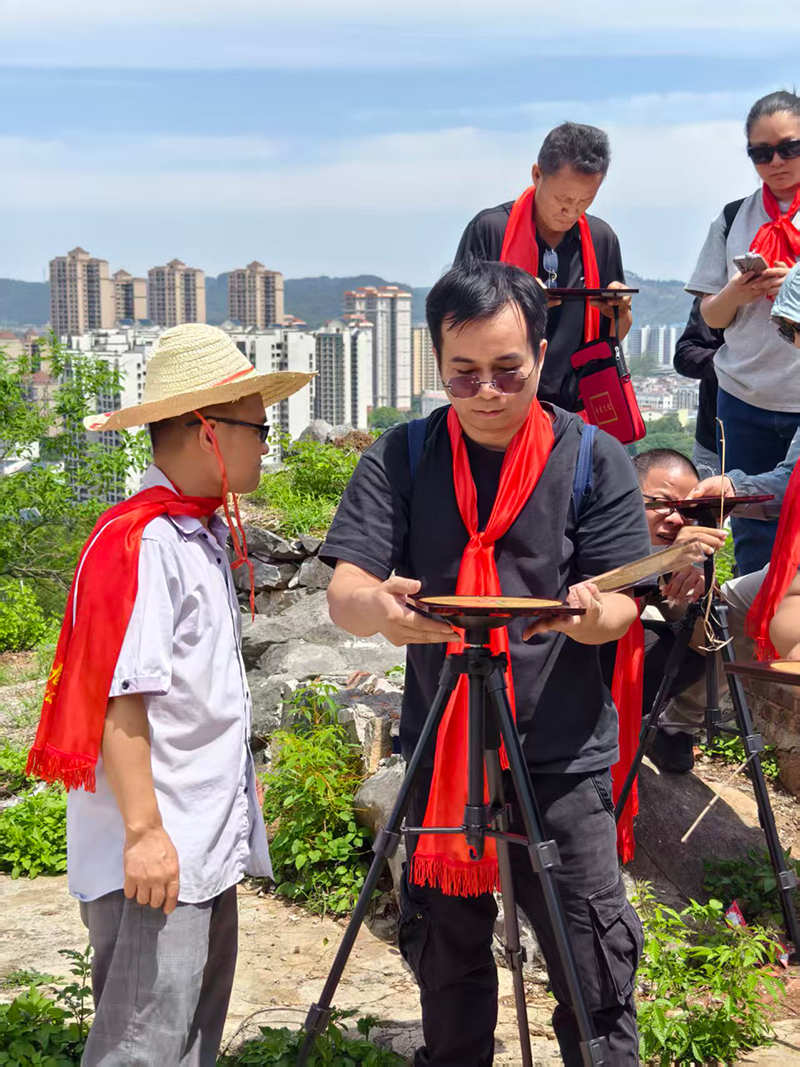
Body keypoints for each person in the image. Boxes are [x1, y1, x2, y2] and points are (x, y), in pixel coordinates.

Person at [320, 259, 650, 1066]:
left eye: (509, 370)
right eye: (463, 375)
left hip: (561, 755)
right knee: (447, 962)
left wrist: (588, 615)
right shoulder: (404, 456)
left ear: (541, 351)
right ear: (437, 364)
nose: (489, 392)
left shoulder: (590, 458)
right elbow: (348, 588)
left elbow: (622, 604)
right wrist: (383, 612)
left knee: (591, 967)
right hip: (443, 753)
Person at [26, 324, 312, 1066]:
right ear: (204, 429)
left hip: (198, 843)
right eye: (258, 426)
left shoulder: (191, 532)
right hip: (162, 850)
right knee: (142, 1045)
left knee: (186, 1040)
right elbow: (122, 701)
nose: (267, 443)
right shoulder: (147, 544)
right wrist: (146, 834)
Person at [686, 89, 800, 575]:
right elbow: (710, 317)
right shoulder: (735, 216)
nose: (776, 162)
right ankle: (757, 646)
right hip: (744, 397)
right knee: (752, 531)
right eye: (761, 152)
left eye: (789, 148)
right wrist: (739, 291)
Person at [454, 121, 631, 412]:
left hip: (574, 408)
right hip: (499, 402)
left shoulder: (601, 239)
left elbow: (613, 336)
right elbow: (458, 321)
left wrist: (619, 311)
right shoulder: (490, 230)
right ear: (537, 174)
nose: (571, 211)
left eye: (584, 201)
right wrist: (520, 301)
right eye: (563, 199)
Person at [601, 449, 728, 775]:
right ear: (626, 493)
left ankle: (649, 727)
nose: (674, 518)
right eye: (660, 503)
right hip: (561, 674)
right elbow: (593, 587)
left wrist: (694, 586)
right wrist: (666, 559)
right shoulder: (593, 530)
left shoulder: (677, 557)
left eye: (686, 510)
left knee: (694, 636)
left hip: (616, 685)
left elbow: (705, 643)